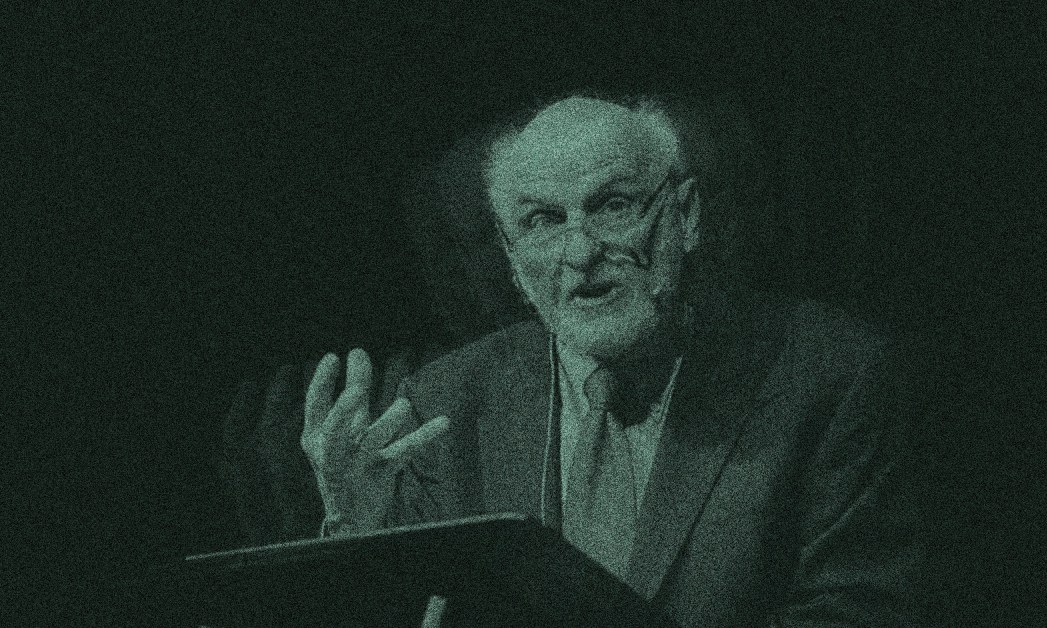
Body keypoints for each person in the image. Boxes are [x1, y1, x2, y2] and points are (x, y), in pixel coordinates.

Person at [300, 94, 928, 627]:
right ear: (512, 258)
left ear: (686, 215)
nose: (580, 252)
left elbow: (859, 612)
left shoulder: (828, 373)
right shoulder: (448, 401)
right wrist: (360, 532)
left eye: (612, 206)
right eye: (543, 221)